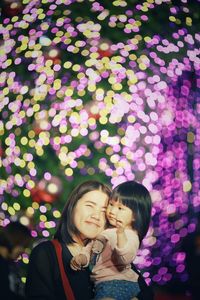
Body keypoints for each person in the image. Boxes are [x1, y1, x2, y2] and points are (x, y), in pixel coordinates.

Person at [25, 180, 111, 300]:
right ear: (73, 206)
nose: (96, 216)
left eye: (103, 211)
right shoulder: (45, 254)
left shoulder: (112, 256)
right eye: (89, 206)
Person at [70, 180, 152, 300]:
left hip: (117, 282)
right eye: (111, 205)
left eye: (120, 208)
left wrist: (120, 235)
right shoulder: (106, 232)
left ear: (135, 215)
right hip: (102, 284)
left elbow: (126, 257)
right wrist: (83, 257)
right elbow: (92, 248)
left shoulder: (129, 235)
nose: (112, 212)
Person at [0, 221, 32, 300]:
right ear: (13, 241)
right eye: (23, 246)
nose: (23, 251)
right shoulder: (2, 264)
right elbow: (4, 295)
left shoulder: (9, 264)